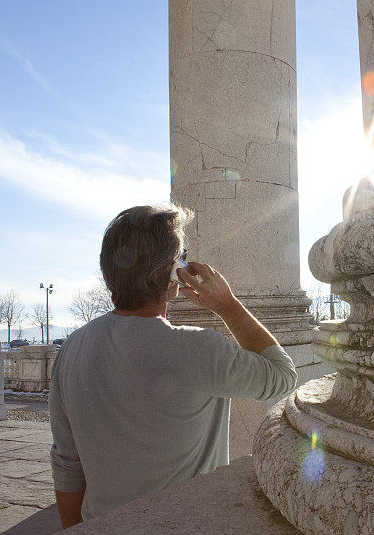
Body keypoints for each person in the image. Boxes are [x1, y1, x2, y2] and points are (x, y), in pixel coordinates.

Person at [48, 204, 297, 528]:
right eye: (182, 257)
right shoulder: (197, 349)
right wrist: (228, 305)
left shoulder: (72, 349)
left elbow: (67, 464)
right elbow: (283, 376)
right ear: (172, 274)